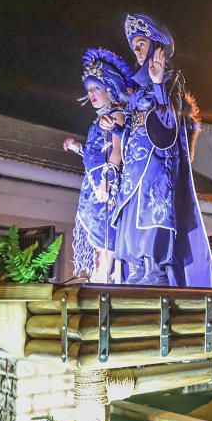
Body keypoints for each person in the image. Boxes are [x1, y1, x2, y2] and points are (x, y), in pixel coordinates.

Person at [113, 13, 212, 287]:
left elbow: (172, 123)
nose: (136, 52)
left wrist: (158, 83)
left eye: (142, 44)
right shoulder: (135, 92)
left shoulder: (172, 81)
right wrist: (116, 127)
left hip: (157, 165)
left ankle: (154, 269)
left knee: (152, 214)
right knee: (131, 216)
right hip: (133, 168)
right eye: (134, 46)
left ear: (157, 48)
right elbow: (130, 129)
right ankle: (136, 269)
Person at [64, 48, 133, 283]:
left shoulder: (117, 114)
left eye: (96, 88)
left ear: (110, 89)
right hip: (93, 183)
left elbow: (117, 150)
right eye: (89, 90)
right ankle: (99, 271)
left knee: (105, 225)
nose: (91, 94)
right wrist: (76, 147)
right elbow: (95, 153)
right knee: (95, 226)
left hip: (105, 183)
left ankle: (107, 272)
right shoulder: (98, 119)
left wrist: (108, 181)